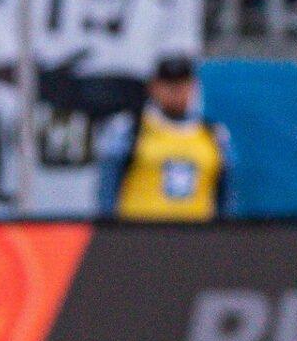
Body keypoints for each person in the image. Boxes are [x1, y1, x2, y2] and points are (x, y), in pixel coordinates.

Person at [96, 56, 233, 222]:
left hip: (198, 239)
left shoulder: (214, 134)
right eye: (168, 84)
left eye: (181, 84)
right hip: (140, 237)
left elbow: (225, 195)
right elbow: (108, 187)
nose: (175, 91)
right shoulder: (129, 128)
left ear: (193, 87)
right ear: (154, 87)